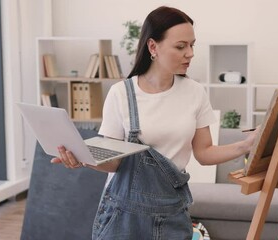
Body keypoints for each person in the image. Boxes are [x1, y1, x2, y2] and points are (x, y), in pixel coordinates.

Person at [51, 6, 259, 240]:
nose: (190, 53)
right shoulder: (121, 93)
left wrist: (246, 145)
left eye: (192, 45)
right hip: (123, 219)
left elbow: (204, 152)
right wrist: (83, 159)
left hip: (172, 217)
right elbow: (113, 163)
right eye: (181, 46)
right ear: (153, 47)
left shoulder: (195, 93)